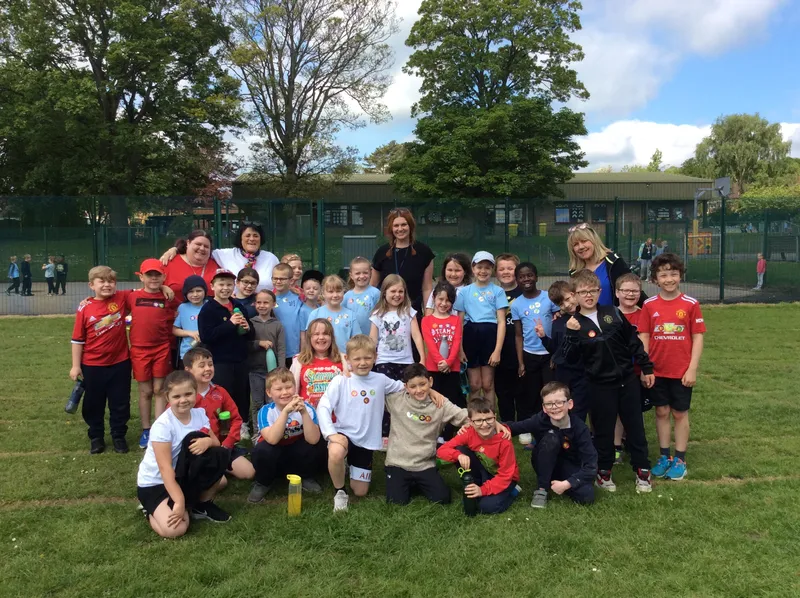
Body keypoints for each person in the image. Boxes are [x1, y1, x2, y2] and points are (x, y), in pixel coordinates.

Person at [562, 269, 654, 494]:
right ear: (574, 295)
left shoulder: (612, 312)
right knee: (603, 430)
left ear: (599, 291)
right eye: (582, 292)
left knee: (635, 427)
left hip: (627, 380)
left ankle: (642, 471)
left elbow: (633, 342)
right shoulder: (574, 324)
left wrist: (646, 366)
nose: (588, 295)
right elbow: (569, 359)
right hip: (599, 385)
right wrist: (571, 335)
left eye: (592, 291)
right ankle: (604, 472)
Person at [136, 370, 231, 537]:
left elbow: (216, 444)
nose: (183, 400)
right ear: (167, 398)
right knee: (176, 529)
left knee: (220, 473)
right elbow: (165, 469)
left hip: (181, 474)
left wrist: (207, 441)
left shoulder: (199, 414)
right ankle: (149, 510)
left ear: (195, 392)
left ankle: (201, 505)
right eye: (177, 396)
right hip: (156, 482)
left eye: (188, 394)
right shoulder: (163, 426)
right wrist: (179, 502)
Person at [317, 335, 405, 512]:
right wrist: (331, 434)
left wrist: (433, 393)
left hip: (366, 442)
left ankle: (349, 467)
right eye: (357, 359)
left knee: (360, 491)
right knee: (336, 451)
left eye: (367, 358)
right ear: (348, 359)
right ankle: (340, 492)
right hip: (344, 435)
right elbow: (323, 406)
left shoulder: (381, 380)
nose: (362, 363)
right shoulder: (341, 380)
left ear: (375, 357)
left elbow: (405, 387)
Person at [639, 253, 706, 481]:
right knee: (661, 411)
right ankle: (664, 456)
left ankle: (680, 459)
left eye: (673, 274)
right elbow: (644, 337)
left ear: (680, 276)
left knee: (679, 413)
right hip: (657, 371)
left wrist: (692, 368)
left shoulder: (690, 304)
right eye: (663, 274)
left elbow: (697, 337)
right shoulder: (648, 305)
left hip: (681, 372)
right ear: (655, 278)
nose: (669, 279)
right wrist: (645, 368)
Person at [69, 266, 133, 454]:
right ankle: (96, 437)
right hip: (92, 365)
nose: (107, 285)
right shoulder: (84, 307)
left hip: (120, 363)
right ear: (91, 285)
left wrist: (164, 288)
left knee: (120, 401)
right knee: (93, 403)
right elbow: (77, 340)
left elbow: (145, 290)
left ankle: (118, 436)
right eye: (101, 281)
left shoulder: (121, 298)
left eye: (111, 281)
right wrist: (75, 366)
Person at [504, 382, 597, 508]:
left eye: (559, 402)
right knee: (552, 438)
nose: (554, 407)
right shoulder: (540, 420)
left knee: (587, 496)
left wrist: (567, 484)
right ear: (544, 407)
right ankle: (542, 489)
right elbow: (514, 427)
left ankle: (559, 482)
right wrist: (496, 425)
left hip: (568, 465)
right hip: (543, 459)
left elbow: (591, 466)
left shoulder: (580, 428)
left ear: (569, 404)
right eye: (549, 404)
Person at [385, 364, 466, 506]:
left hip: (425, 463)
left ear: (430, 381)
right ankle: (406, 483)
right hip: (398, 463)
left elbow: (465, 417)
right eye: (413, 386)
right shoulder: (395, 399)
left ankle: (419, 483)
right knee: (395, 502)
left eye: (422, 384)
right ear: (406, 387)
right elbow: (372, 389)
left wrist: (494, 422)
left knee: (443, 499)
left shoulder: (440, 403)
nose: (418, 390)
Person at [248, 368, 326, 502]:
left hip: (297, 452)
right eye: (279, 389)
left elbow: (313, 440)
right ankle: (263, 482)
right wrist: (285, 413)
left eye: (288, 387)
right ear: (269, 392)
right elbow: (272, 439)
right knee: (262, 449)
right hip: (275, 453)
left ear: (295, 388)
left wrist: (304, 413)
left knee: (319, 442)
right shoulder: (266, 411)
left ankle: (305, 476)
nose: (284, 393)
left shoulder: (306, 407)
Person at [127, 259, 180, 449]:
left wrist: (165, 288)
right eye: (149, 275)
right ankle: (146, 429)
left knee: (159, 390)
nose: (154, 278)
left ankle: (158, 428)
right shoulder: (131, 297)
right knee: (145, 391)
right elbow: (111, 300)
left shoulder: (168, 297)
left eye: (158, 275)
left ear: (164, 276)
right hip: (140, 350)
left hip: (161, 348)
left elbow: (185, 305)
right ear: (141, 277)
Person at [436, 396, 521, 515]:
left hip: (505, 478)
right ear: (470, 422)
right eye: (479, 420)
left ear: (495, 418)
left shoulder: (504, 441)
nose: (484, 424)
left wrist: (482, 490)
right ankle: (474, 483)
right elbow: (442, 450)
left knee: (486, 507)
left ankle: (513, 492)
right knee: (460, 450)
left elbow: (506, 475)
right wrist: (458, 455)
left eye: (489, 419)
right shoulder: (469, 431)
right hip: (485, 470)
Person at [198, 268, 254, 440]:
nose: (225, 288)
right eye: (221, 284)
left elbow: (250, 335)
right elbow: (207, 336)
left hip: (241, 359)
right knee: (224, 393)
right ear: (212, 286)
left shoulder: (238, 306)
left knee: (242, 393)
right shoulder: (208, 310)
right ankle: (224, 426)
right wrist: (230, 324)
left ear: (234, 286)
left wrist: (247, 328)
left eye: (229, 284)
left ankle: (243, 423)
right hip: (221, 360)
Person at [183, 347, 255, 481]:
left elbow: (236, 419)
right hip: (197, 448)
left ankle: (221, 464)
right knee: (219, 482)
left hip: (222, 446)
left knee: (249, 472)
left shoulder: (220, 392)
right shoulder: (184, 397)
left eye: (210, 364)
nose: (207, 369)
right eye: (202, 366)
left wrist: (227, 444)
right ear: (188, 370)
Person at [511, 262, 560, 439]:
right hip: (529, 355)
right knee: (529, 393)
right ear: (517, 280)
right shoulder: (516, 304)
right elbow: (518, 335)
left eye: (529, 275)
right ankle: (527, 427)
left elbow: (558, 324)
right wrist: (521, 362)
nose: (526, 279)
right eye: (522, 276)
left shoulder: (549, 298)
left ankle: (550, 425)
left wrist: (556, 353)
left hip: (549, 355)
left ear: (536, 277)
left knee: (549, 392)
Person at [453, 251, 509, 406]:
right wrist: (460, 349)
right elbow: (459, 321)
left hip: (490, 337)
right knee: (475, 385)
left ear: (492, 270)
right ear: (473, 268)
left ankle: (490, 419)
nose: (483, 271)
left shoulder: (498, 291)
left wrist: (497, 350)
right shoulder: (464, 292)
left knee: (488, 384)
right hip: (471, 337)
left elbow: (501, 322)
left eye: (487, 268)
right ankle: (474, 420)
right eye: (479, 267)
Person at [163, 223, 279, 292]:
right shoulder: (224, 255)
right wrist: (175, 249)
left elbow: (283, 277)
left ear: (261, 238)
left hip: (263, 311)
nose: (252, 239)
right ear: (240, 238)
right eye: (247, 235)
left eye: (255, 236)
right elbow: (200, 250)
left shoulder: (271, 258)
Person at [371, 208, 435, 316]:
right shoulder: (382, 253)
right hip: (386, 313)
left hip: (413, 312)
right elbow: (372, 286)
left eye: (404, 224)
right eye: (396, 226)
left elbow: (427, 288)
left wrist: (428, 315)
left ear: (410, 226)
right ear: (391, 228)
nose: (400, 229)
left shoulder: (424, 252)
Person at [541, 280, 589, 422]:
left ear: (574, 293)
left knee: (580, 410)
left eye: (568, 299)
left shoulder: (587, 318)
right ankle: (564, 438)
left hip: (583, 374)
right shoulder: (557, 323)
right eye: (561, 304)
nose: (567, 305)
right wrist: (543, 338)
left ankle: (582, 438)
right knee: (564, 409)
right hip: (564, 374)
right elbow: (556, 349)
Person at [614, 273, 648, 463]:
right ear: (617, 292)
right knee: (617, 411)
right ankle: (616, 446)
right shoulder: (609, 314)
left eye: (634, 291)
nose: (630, 294)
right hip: (616, 372)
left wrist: (645, 369)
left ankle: (636, 444)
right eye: (625, 290)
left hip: (637, 371)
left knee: (636, 412)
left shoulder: (645, 314)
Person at [567, 223, 642, 307]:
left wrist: (652, 311)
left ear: (594, 241)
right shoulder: (574, 272)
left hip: (613, 318)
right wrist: (559, 312)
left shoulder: (614, 262)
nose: (580, 246)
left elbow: (634, 288)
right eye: (575, 244)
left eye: (584, 241)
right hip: (586, 319)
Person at [369, 274, 426, 381]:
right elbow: (372, 339)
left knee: (405, 391)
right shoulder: (377, 314)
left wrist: (422, 358)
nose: (397, 295)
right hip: (384, 361)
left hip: (406, 361)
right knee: (387, 392)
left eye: (400, 291)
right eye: (393, 291)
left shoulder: (409, 312)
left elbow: (416, 336)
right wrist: (371, 357)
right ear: (384, 292)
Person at [421, 281, 464, 415]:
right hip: (433, 368)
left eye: (448, 300)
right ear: (433, 298)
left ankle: (448, 433)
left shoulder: (455, 320)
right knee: (434, 400)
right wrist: (440, 361)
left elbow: (457, 342)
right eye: (441, 299)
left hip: (452, 367)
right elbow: (430, 344)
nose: (444, 303)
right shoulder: (426, 320)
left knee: (451, 400)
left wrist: (449, 362)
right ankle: (436, 431)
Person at [248, 289, 286, 433]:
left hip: (273, 372)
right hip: (255, 370)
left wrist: (280, 371)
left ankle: (275, 429)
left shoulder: (278, 325)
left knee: (273, 401)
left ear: (273, 304)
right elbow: (246, 344)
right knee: (257, 402)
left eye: (266, 302)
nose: (262, 305)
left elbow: (282, 349)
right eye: (259, 302)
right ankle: (258, 432)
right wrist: (259, 343)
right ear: (254, 304)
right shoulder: (250, 323)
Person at [495, 253, 523, 434]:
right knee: (502, 388)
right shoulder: (492, 293)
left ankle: (523, 423)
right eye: (502, 269)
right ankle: (506, 422)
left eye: (510, 268)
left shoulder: (524, 292)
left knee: (521, 387)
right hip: (499, 348)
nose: (506, 272)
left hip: (520, 347)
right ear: (496, 272)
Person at [290, 318, 345, 408]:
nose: (321, 337)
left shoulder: (344, 360)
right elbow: (291, 392)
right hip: (308, 418)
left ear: (332, 337)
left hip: (337, 419)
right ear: (310, 338)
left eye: (325, 334)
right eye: (316, 334)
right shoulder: (298, 361)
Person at [306, 274, 362, 355]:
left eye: (338, 291)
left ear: (343, 292)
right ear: (323, 293)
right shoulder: (315, 314)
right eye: (331, 292)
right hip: (321, 359)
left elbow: (357, 340)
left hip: (344, 358)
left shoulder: (351, 315)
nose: (335, 295)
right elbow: (309, 338)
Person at [161, 230, 220, 301]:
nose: (202, 248)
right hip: (174, 311)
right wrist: (161, 287)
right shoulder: (169, 261)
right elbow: (150, 284)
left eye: (206, 246)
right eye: (198, 244)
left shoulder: (217, 264)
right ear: (188, 243)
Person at [272, 262, 306, 366]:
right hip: (273, 352)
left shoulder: (299, 299)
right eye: (275, 278)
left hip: (294, 353)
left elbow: (303, 330)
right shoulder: (267, 299)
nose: (278, 281)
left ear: (291, 280)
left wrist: (303, 351)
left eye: (282, 279)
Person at [172, 275, 207, 370]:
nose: (195, 295)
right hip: (187, 353)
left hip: (208, 353)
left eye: (199, 291)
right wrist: (189, 333)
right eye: (191, 291)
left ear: (205, 291)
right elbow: (174, 329)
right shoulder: (182, 308)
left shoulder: (210, 305)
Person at [344, 256, 381, 336]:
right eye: (357, 273)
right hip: (353, 340)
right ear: (351, 275)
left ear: (370, 272)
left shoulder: (376, 293)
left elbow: (381, 315)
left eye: (365, 273)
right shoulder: (347, 296)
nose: (362, 276)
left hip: (371, 339)